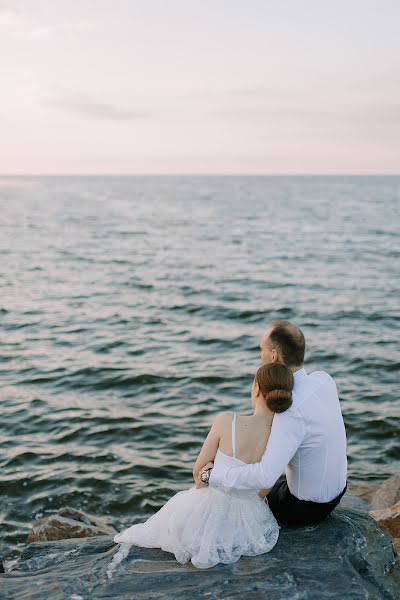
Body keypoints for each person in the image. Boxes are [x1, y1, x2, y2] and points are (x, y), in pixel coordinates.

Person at [106, 363, 294, 575]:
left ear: (257, 389)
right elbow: (262, 491)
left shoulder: (227, 421)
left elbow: (198, 475)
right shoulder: (282, 437)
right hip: (248, 519)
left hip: (206, 510)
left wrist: (212, 471)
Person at [199, 321, 348, 526]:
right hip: (338, 490)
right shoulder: (324, 380)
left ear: (274, 355)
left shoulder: (290, 411)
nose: (260, 355)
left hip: (306, 507)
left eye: (262, 349)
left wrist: (213, 475)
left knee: (241, 502)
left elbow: (264, 476)